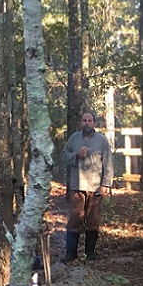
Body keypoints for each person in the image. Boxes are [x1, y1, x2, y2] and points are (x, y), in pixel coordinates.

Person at [61, 112, 113, 262]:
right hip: (77, 185)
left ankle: (90, 253)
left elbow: (108, 163)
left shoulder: (102, 140)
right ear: (80, 123)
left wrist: (106, 184)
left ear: (94, 123)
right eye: (84, 120)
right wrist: (76, 155)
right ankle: (71, 253)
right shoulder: (74, 138)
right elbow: (64, 156)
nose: (87, 123)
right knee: (75, 219)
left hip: (95, 186)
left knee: (93, 220)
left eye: (90, 121)